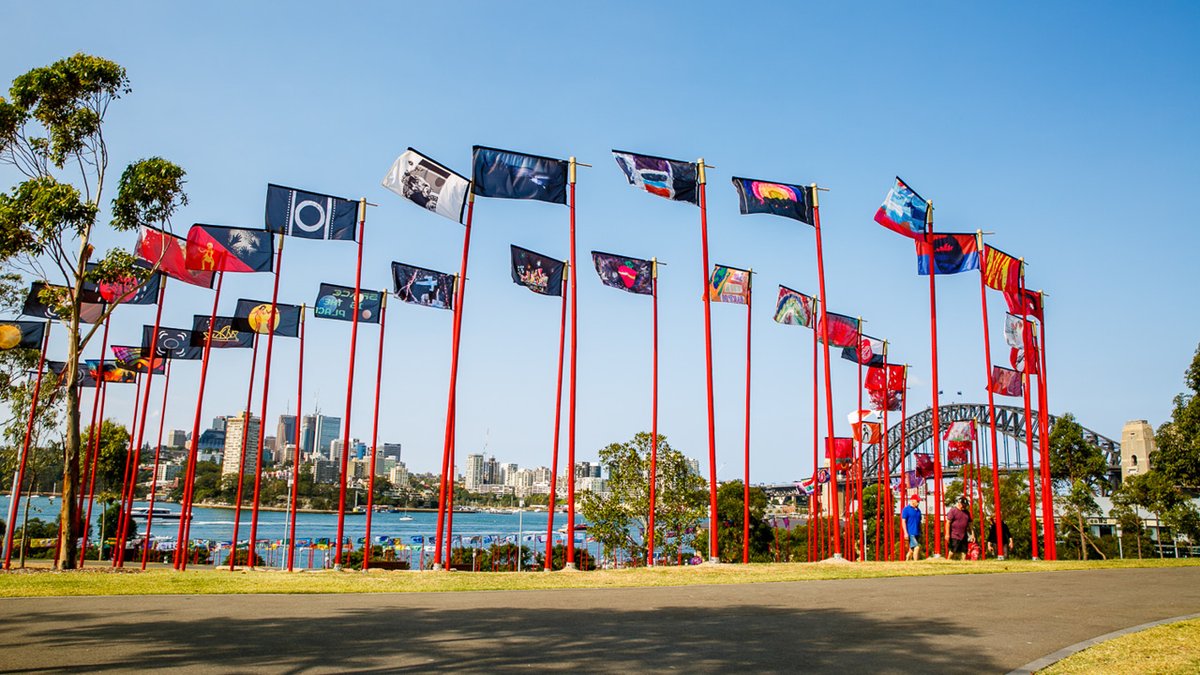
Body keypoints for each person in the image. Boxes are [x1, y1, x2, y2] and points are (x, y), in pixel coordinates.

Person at [901, 494, 922, 560]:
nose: (918, 503)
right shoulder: (906, 509)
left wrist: (920, 531)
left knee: (911, 550)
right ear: (913, 501)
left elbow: (919, 522)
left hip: (917, 533)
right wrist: (905, 533)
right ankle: (915, 563)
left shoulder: (918, 510)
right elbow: (903, 521)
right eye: (917, 501)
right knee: (917, 547)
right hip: (910, 532)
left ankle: (907, 562)